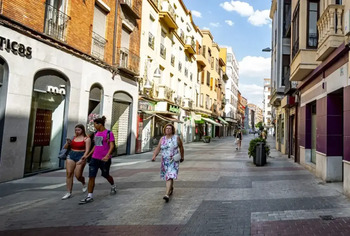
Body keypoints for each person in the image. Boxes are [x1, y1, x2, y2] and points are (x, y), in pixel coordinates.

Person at [79, 116, 117, 204]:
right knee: (91, 176)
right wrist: (88, 155)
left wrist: (107, 155)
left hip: (105, 159)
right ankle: (89, 196)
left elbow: (111, 146)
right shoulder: (96, 133)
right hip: (94, 158)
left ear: (100, 124)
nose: (94, 126)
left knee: (105, 174)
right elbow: (96, 146)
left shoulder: (108, 133)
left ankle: (113, 185)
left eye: (95, 124)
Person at [151, 123, 184, 202]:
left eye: (170, 128)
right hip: (165, 161)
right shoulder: (162, 139)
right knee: (168, 176)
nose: (168, 130)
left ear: (172, 130)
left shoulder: (176, 138)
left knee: (169, 176)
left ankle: (166, 194)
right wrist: (154, 156)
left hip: (173, 160)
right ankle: (171, 188)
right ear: (164, 130)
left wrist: (182, 156)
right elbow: (158, 148)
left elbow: (181, 147)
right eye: (166, 128)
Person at [62, 124, 91, 200]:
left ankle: (83, 183)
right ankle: (69, 192)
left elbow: (87, 150)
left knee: (78, 175)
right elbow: (65, 148)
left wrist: (83, 158)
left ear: (82, 130)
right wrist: (68, 143)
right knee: (69, 173)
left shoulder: (86, 139)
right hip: (71, 155)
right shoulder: (73, 138)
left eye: (79, 130)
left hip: (80, 155)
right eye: (76, 130)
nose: (77, 131)